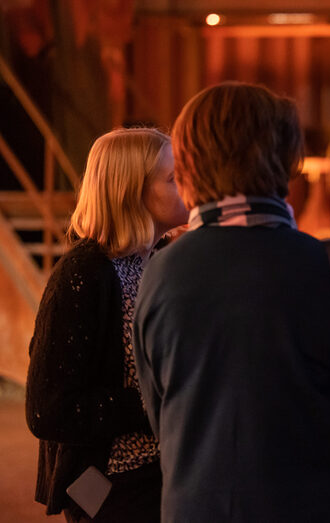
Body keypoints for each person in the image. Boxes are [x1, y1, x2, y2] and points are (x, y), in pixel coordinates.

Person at [132, 82, 330, 523]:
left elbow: (161, 417)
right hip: (321, 507)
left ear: (190, 163)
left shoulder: (162, 272)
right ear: (283, 157)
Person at [26, 127, 188, 522]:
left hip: (169, 470)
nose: (187, 186)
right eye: (172, 178)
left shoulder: (161, 259)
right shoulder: (84, 274)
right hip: (116, 483)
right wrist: (156, 405)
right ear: (131, 190)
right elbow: (48, 410)